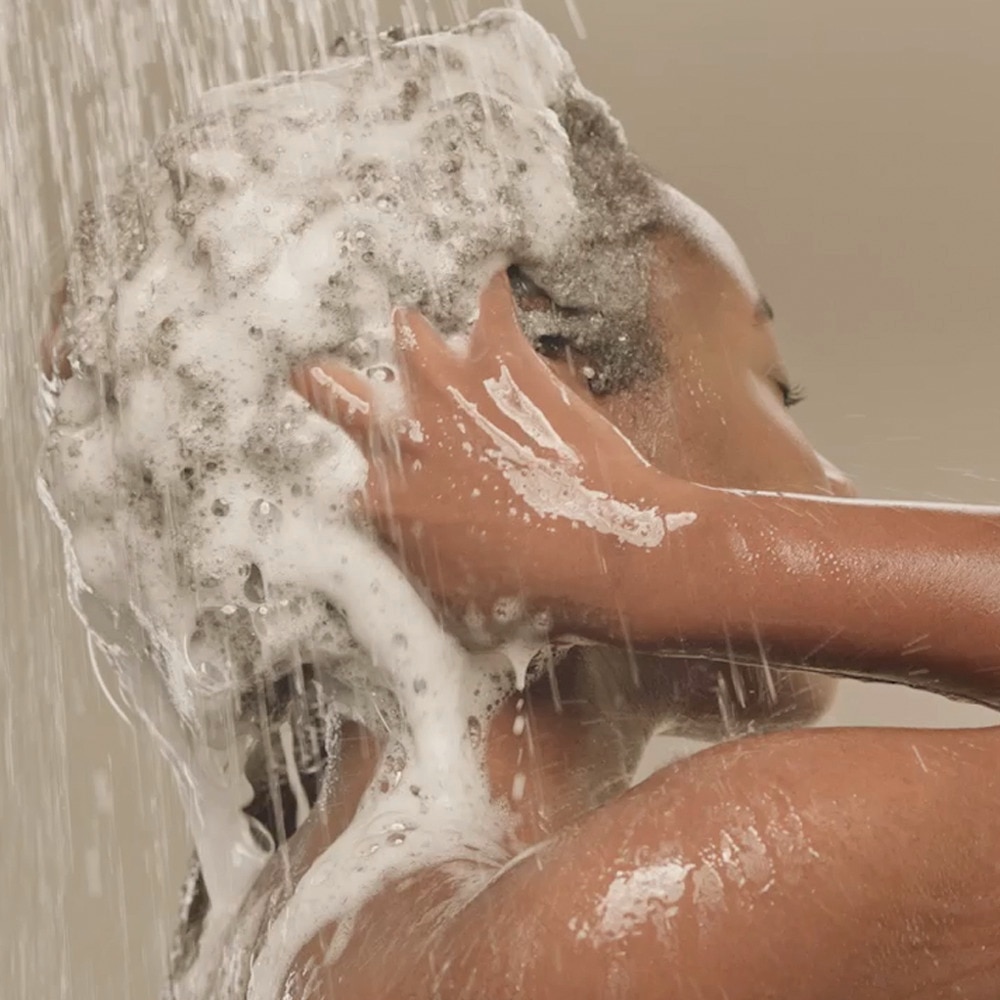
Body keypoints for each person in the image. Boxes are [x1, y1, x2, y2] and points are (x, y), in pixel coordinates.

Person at [43, 185, 1000, 997]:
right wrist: (639, 544)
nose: (838, 488)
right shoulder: (642, 912)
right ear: (536, 409)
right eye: (778, 389)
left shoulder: (256, 934)